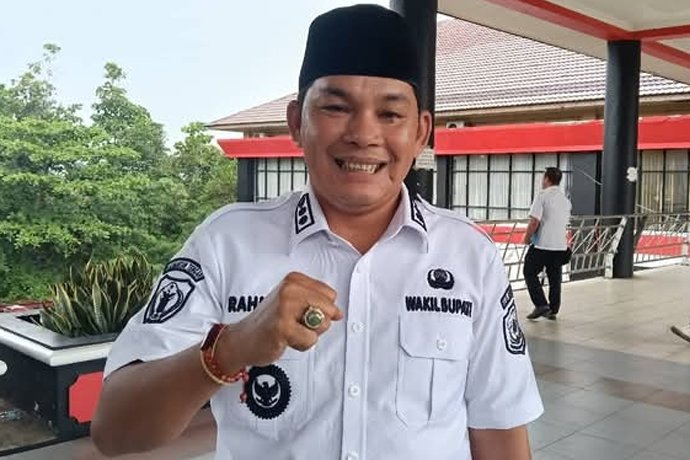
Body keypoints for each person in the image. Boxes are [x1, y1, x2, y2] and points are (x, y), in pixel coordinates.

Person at [92, 5, 543, 460]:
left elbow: (501, 435)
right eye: (336, 107)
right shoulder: (227, 243)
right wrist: (229, 348)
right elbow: (114, 430)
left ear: (421, 132)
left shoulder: (469, 255)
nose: (363, 134)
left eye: (390, 114)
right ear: (296, 123)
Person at [523, 167, 572, 320]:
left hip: (542, 244)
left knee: (529, 271)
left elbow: (534, 221)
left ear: (547, 179)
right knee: (554, 278)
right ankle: (553, 309)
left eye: (543, 177)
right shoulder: (565, 200)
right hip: (560, 245)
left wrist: (527, 238)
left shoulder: (542, 196)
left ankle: (541, 304)